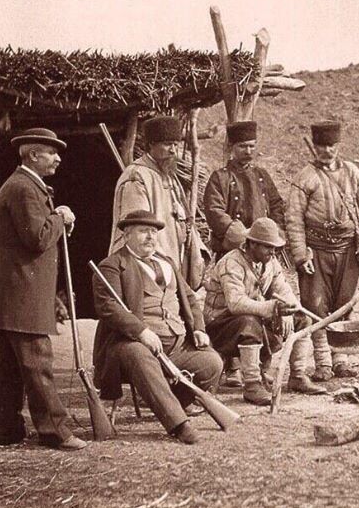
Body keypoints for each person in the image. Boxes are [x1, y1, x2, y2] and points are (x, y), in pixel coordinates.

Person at [0, 127, 87, 451]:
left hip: (16, 290)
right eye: (51, 153)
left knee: (12, 366)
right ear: (32, 155)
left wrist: (55, 215)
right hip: (20, 291)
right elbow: (37, 237)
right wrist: (60, 215)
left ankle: (8, 429)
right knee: (38, 361)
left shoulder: (26, 186)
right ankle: (55, 431)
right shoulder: (24, 189)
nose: (57, 158)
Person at [92, 210, 223, 444]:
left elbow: (190, 299)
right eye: (143, 231)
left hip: (177, 346)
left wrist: (199, 329)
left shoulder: (167, 262)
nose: (150, 237)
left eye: (153, 232)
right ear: (126, 234)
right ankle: (179, 425)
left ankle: (171, 401)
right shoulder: (111, 265)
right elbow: (109, 307)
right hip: (129, 346)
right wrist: (141, 332)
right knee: (139, 355)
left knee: (212, 362)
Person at [286, 120, 359, 380]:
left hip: (347, 250)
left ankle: (341, 359)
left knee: (344, 304)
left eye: (332, 145)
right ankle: (323, 363)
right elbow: (294, 219)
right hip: (316, 251)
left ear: (339, 146)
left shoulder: (352, 173)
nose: (327, 151)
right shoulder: (304, 177)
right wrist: (300, 253)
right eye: (322, 146)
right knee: (315, 306)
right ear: (314, 147)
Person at [203, 218, 326, 405]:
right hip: (220, 323)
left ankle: (297, 376)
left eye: (274, 247)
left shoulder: (270, 263)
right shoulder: (231, 263)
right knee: (249, 322)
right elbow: (235, 303)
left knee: (302, 319)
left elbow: (283, 289)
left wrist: (289, 309)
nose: (272, 251)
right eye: (267, 247)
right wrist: (273, 308)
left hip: (252, 316)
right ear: (251, 244)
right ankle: (252, 385)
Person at [109, 115, 206, 286]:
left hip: (172, 263)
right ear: (151, 145)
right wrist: (159, 269)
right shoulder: (137, 178)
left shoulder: (170, 176)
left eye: (176, 144)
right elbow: (138, 233)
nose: (173, 150)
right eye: (167, 144)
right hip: (148, 270)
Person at [203, 120, 286, 257]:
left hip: (263, 248)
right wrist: (240, 236)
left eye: (251, 146)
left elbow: (276, 204)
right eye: (242, 146)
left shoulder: (262, 175)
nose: (248, 151)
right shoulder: (220, 177)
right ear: (231, 147)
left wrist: (272, 232)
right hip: (232, 250)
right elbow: (214, 210)